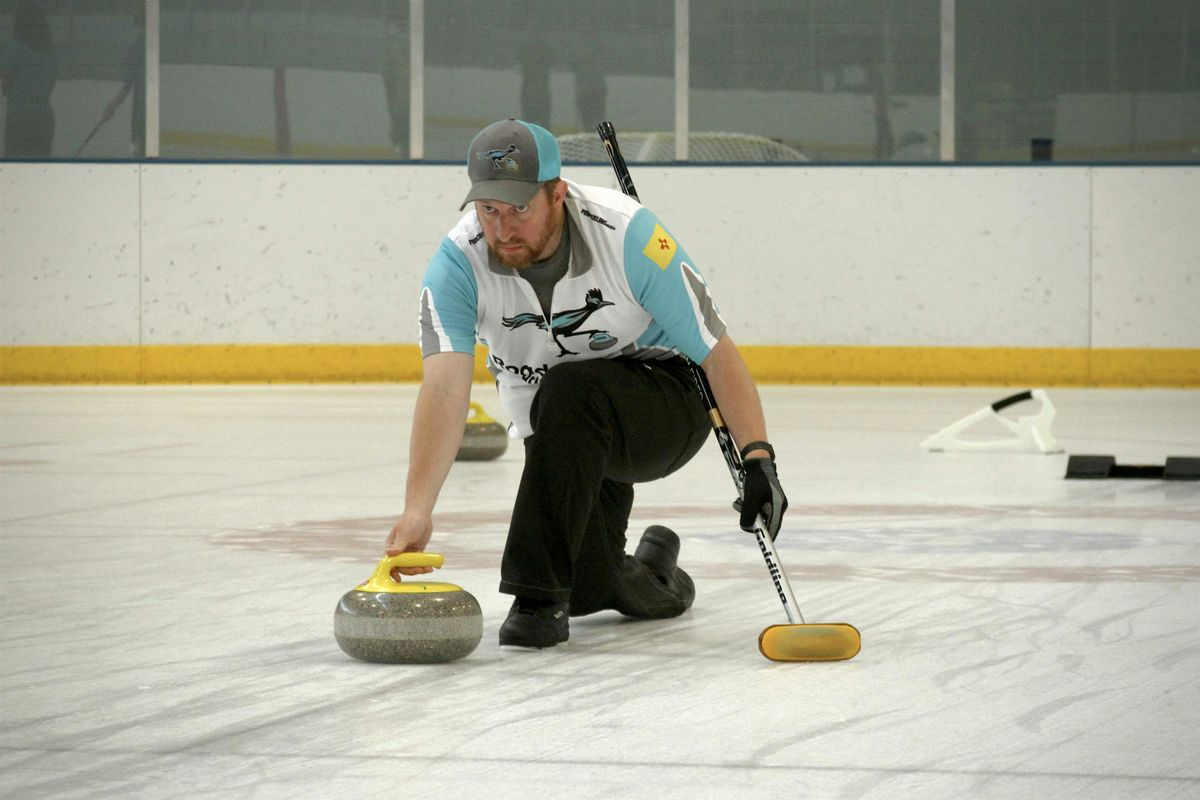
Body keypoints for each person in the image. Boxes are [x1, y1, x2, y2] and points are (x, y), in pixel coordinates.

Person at [385, 119, 787, 649]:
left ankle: (534, 600)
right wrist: (417, 510)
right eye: (489, 209)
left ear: (557, 193)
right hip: (562, 431)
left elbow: (718, 355)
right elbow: (443, 388)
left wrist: (758, 459)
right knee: (588, 584)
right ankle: (656, 570)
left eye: (519, 209)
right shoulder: (456, 266)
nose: (503, 229)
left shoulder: (632, 237)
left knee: (570, 389)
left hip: (664, 403)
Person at [2, 1, 58, 158]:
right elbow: (51, 84)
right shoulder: (51, 50)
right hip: (44, 116)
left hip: (19, 117)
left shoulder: (14, 49)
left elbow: (5, 87)